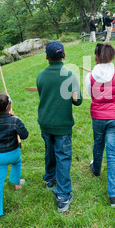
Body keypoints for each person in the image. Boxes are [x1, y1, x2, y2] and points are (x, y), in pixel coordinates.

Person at [36, 40, 83, 212]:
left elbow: (43, 95)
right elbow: (77, 101)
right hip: (62, 124)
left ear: (47, 56)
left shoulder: (40, 76)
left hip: (45, 122)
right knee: (62, 156)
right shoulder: (70, 75)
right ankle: (63, 196)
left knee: (50, 151)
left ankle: (50, 179)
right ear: (63, 55)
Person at [85, 43, 115, 207]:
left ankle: (96, 170)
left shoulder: (90, 76)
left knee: (98, 144)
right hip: (114, 118)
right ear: (112, 56)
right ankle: (113, 194)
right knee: (112, 153)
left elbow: (89, 94)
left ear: (97, 57)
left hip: (98, 118)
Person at [0, 94, 29, 228]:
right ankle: (16, 184)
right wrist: (16, 119)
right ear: (9, 106)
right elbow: (25, 135)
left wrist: (9, 117)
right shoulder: (14, 121)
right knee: (17, 162)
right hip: (12, 154)